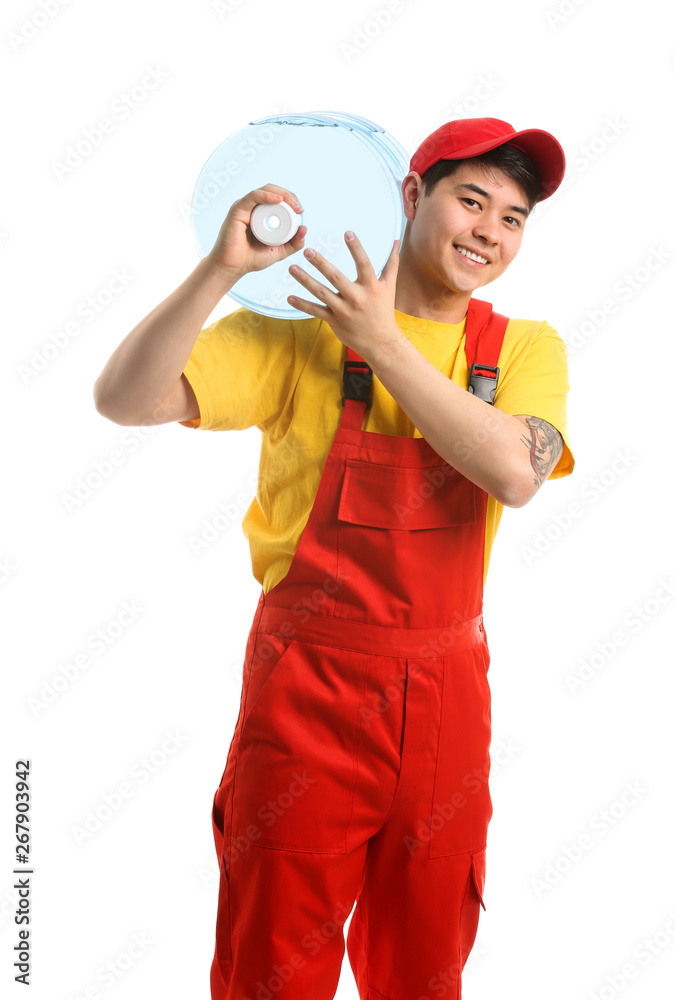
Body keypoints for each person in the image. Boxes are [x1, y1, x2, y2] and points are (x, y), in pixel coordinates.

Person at [93, 116, 575, 1000]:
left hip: (447, 702)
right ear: (411, 195)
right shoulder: (298, 331)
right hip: (306, 692)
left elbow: (515, 472)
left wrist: (381, 341)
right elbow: (124, 399)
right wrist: (219, 272)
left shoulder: (522, 348)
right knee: (273, 961)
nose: (489, 232)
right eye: (471, 201)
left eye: (512, 218)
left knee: (424, 963)